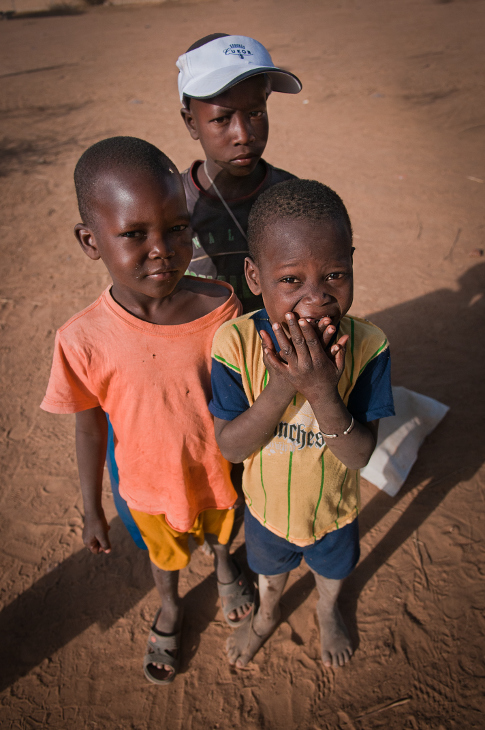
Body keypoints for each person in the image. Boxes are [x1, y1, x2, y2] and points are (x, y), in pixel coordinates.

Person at [40, 137, 254, 685]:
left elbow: (240, 396)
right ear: (91, 241)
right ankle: (170, 605)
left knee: (221, 527)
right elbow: (88, 429)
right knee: (165, 554)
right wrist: (92, 507)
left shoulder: (220, 306)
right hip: (148, 486)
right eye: (134, 234)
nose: (162, 249)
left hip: (216, 468)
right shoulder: (82, 339)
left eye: (177, 228)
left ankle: (227, 566)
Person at [209, 179, 395, 669]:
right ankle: (268, 614)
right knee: (269, 577)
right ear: (254, 276)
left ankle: (328, 609)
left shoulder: (369, 346)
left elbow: (359, 455)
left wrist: (320, 390)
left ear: (352, 263)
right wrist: (283, 385)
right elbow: (230, 448)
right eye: (291, 280)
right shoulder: (234, 345)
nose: (315, 299)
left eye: (335, 274)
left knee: (333, 573)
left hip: (334, 510)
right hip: (267, 511)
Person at [176, 33, 302, 312]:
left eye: (256, 113)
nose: (243, 135)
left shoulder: (293, 197)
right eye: (221, 119)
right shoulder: (171, 203)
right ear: (192, 123)